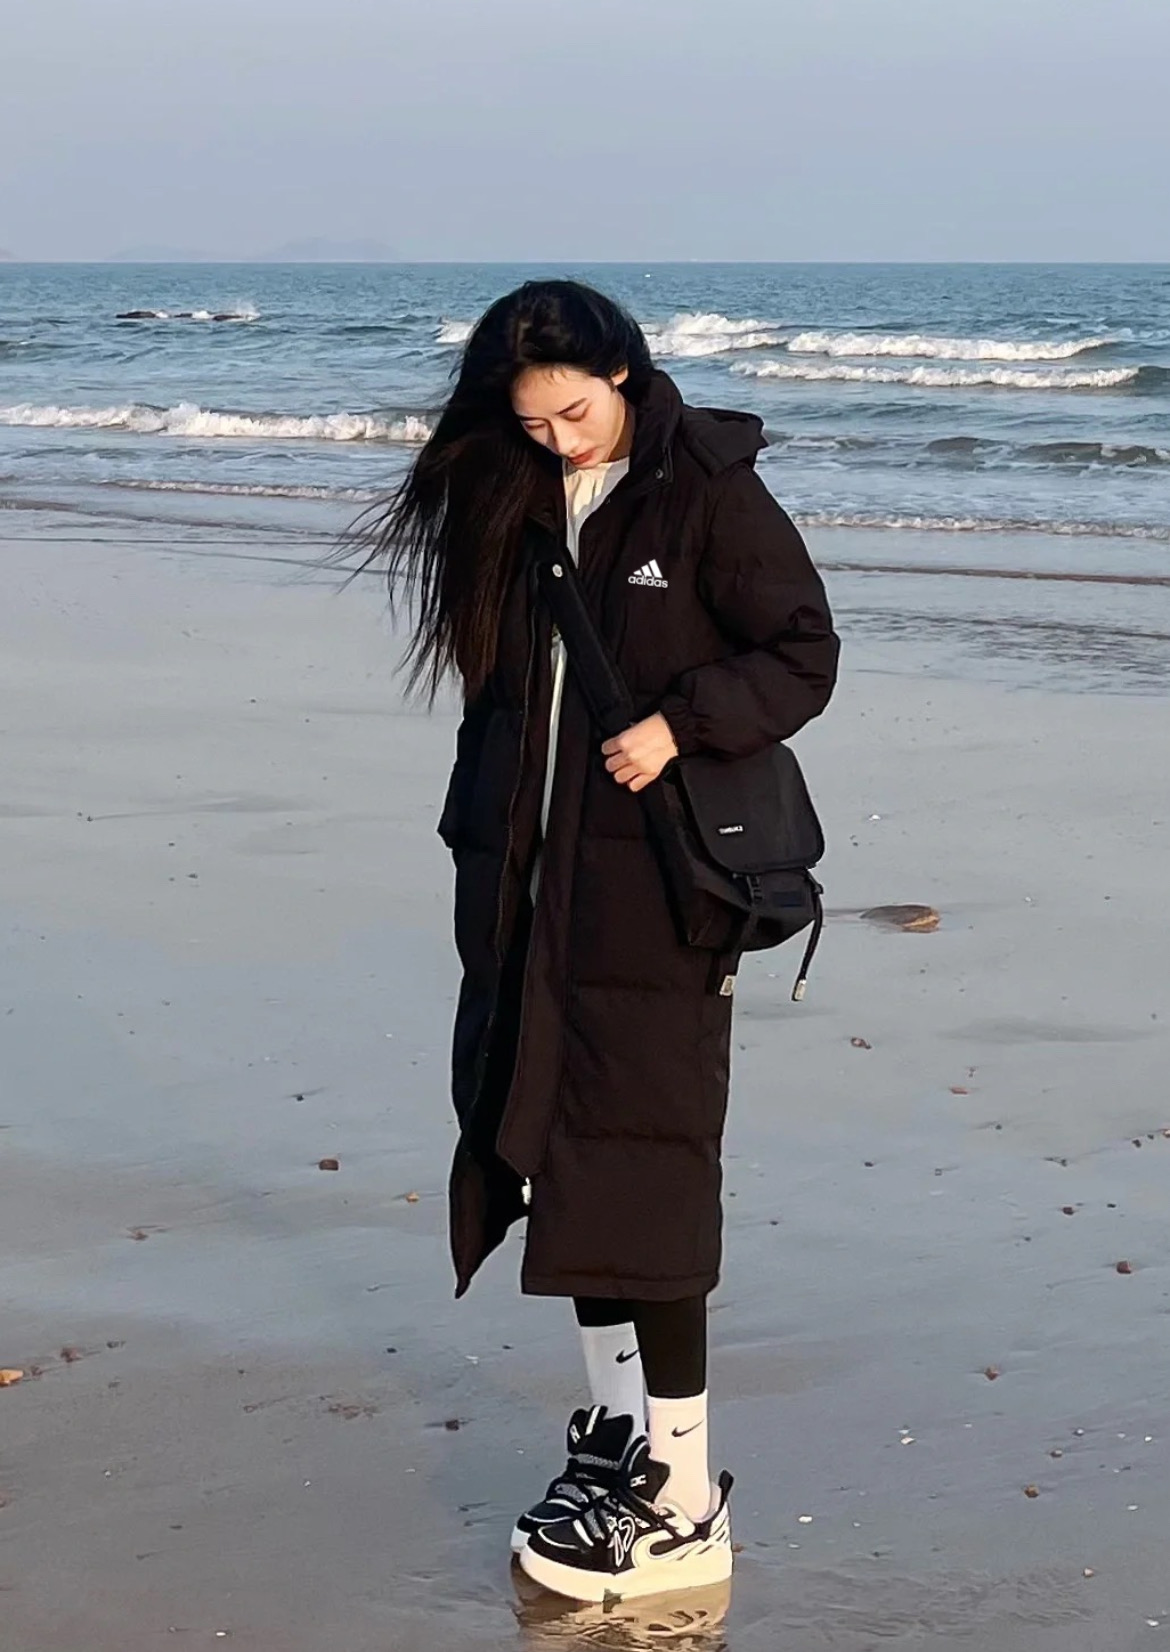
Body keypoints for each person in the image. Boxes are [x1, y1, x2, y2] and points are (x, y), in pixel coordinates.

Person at [356, 280, 839, 1601]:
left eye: (573, 413)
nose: (558, 440)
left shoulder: (706, 491)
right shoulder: (515, 495)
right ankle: (618, 1436)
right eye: (531, 422)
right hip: (523, 879)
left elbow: (802, 653)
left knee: (647, 1157)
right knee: (553, 1143)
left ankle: (683, 1496)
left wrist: (681, 725)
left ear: (623, 370)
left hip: (651, 887)